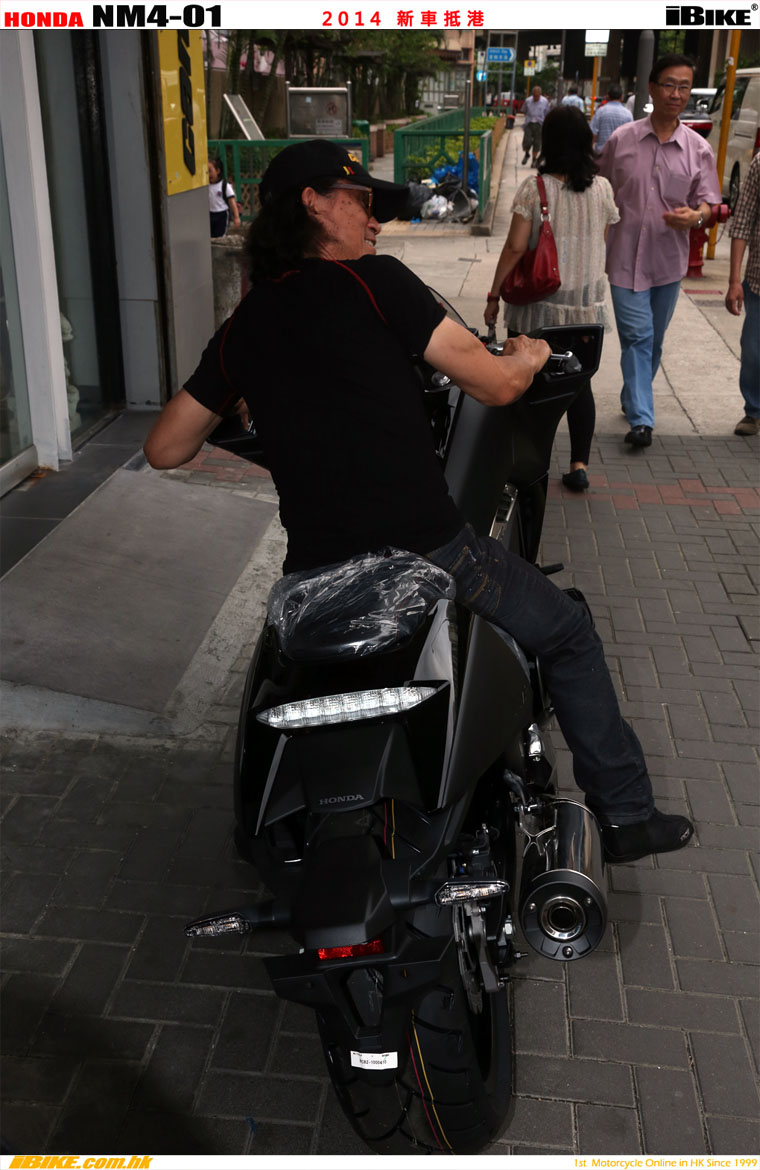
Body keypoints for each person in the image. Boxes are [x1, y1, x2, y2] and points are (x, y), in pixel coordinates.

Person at [144, 138, 693, 865]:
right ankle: (624, 816)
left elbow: (165, 448)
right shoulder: (378, 283)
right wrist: (528, 354)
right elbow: (493, 383)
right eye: (360, 202)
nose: (375, 219)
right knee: (567, 633)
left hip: (315, 573)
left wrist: (238, 398)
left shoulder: (245, 325)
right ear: (312, 204)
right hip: (432, 549)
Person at [484, 106, 620, 493]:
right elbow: (601, 243)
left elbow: (515, 247)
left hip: (536, 309)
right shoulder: (603, 189)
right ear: (586, 142)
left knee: (525, 382)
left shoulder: (535, 188)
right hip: (585, 310)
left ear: (549, 142)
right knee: (579, 385)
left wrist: (494, 294)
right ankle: (579, 465)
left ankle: (524, 465)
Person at [597, 54, 721, 448]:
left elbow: (709, 204)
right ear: (651, 88)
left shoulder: (698, 149)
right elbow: (599, 190)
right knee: (638, 336)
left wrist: (696, 217)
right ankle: (642, 420)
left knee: (653, 340)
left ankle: (633, 397)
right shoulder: (622, 141)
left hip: (667, 261)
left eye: (684, 87)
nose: (676, 94)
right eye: (669, 84)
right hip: (622, 258)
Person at [724, 153, 760, 437]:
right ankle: (754, 410)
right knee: (753, 351)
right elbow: (743, 221)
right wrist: (734, 279)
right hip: (758, 281)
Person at [590, 84, 633, 153]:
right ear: (622, 96)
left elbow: (593, 134)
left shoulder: (600, 112)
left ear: (608, 96)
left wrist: (589, 152)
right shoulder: (628, 114)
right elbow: (630, 137)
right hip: (620, 154)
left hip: (602, 153)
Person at [208, 156, 241, 238]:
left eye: (210, 171)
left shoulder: (225, 185)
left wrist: (236, 217)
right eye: (206, 171)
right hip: (209, 214)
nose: (208, 174)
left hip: (222, 215)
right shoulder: (206, 186)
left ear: (218, 171)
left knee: (220, 236)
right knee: (210, 236)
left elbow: (232, 202)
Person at [521, 85, 550, 167]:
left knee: (537, 143)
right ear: (532, 94)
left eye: (537, 95)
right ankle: (527, 154)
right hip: (529, 123)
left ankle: (534, 160)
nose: (536, 97)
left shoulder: (544, 101)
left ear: (540, 94)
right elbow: (524, 110)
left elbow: (547, 112)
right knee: (527, 141)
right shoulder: (528, 100)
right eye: (534, 95)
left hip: (539, 124)